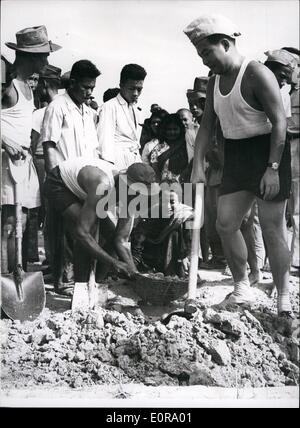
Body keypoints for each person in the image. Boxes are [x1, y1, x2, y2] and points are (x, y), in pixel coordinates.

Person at [184, 14, 294, 317]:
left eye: (207, 52)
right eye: (200, 55)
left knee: (272, 228)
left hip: (269, 150)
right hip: (236, 152)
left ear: (226, 43)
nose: (205, 60)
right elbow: (206, 126)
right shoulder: (214, 81)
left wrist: (272, 167)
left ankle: (284, 297)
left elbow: (280, 122)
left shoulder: (256, 73)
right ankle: (242, 287)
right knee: (225, 223)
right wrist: (198, 164)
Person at [1, 25, 61, 274]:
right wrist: (5, 141)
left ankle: (17, 276)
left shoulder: (28, 88)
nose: (47, 60)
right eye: (44, 55)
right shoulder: (8, 86)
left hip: (22, 163)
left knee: (22, 223)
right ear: (31, 56)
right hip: (5, 162)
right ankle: (4, 281)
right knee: (9, 225)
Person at [44, 158, 160, 281]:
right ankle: (82, 284)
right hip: (59, 183)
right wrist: (114, 262)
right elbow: (82, 233)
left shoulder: (131, 196)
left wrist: (135, 274)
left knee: (111, 234)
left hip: (87, 192)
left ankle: (98, 282)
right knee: (89, 230)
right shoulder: (102, 184)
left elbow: (120, 239)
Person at [41, 59, 101, 295]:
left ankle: (83, 280)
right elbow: (49, 145)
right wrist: (55, 181)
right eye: (85, 87)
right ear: (72, 83)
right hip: (64, 179)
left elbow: (93, 150)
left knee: (86, 229)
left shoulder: (89, 112)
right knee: (66, 231)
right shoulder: (57, 106)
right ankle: (64, 280)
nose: (89, 92)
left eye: (92, 88)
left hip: (86, 180)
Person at [98, 64, 147, 170]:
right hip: (116, 162)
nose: (135, 93)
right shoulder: (109, 106)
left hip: (134, 161)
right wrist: (110, 170)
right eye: (131, 88)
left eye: (139, 89)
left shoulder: (136, 109)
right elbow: (104, 143)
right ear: (121, 85)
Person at [282, 47, 300, 274]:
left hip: (297, 146)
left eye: (291, 68)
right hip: (287, 148)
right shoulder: (287, 93)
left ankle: (296, 259)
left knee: (297, 208)